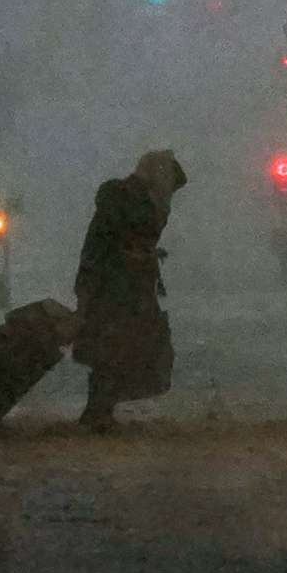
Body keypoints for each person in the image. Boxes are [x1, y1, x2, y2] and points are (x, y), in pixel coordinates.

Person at [72, 149, 186, 431]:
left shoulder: (140, 199)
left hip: (127, 285)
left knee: (125, 347)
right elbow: (117, 237)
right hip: (110, 284)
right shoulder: (123, 196)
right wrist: (136, 254)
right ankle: (97, 412)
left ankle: (100, 410)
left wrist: (145, 253)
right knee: (112, 346)